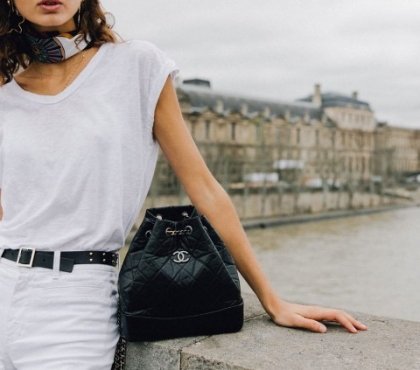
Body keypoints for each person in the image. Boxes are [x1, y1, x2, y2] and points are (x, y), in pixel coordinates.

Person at [0, 0, 367, 368]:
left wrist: (271, 299)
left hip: (74, 305)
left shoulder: (136, 65)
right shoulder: (6, 86)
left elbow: (204, 188)